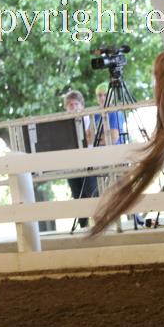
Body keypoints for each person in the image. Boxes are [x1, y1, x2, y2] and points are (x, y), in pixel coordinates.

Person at [63, 90, 99, 228]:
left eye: (76, 104)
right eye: (70, 105)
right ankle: (83, 227)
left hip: (89, 162)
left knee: (92, 193)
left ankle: (98, 224)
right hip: (71, 164)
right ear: (66, 107)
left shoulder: (88, 119)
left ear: (82, 105)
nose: (73, 107)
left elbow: (91, 139)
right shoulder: (63, 124)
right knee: (77, 195)